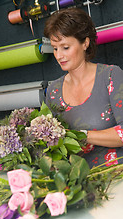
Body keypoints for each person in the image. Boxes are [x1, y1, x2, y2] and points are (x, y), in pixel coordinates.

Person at [44, 7, 123, 168]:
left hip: (117, 176)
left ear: (85, 43)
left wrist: (82, 135)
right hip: (78, 184)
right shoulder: (53, 91)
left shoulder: (110, 76)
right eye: (55, 48)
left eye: (65, 47)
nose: (59, 55)